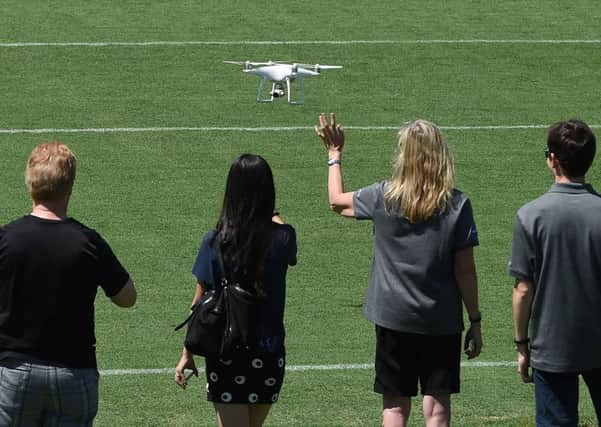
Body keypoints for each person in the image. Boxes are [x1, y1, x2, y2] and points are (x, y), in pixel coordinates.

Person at [314, 113, 482, 427]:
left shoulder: (383, 196)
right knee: (437, 409)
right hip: (441, 320)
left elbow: (336, 201)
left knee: (394, 407)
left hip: (392, 318)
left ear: (403, 156)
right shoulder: (458, 204)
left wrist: (333, 156)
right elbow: (466, 271)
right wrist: (475, 320)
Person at [0, 141, 137, 426]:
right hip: (74, 373)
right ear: (70, 187)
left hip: (15, 370)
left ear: (29, 184)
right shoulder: (88, 242)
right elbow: (127, 297)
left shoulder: (6, 239)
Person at [175, 154, 297, 427]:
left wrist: (187, 353)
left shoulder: (215, 241)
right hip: (269, 353)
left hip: (226, 352)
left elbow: (199, 303)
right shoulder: (284, 238)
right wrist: (270, 212)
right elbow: (280, 228)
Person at [509, 119, 601, 426]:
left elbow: (524, 289)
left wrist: (522, 345)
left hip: (552, 345)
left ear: (552, 159)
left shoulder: (530, 216)